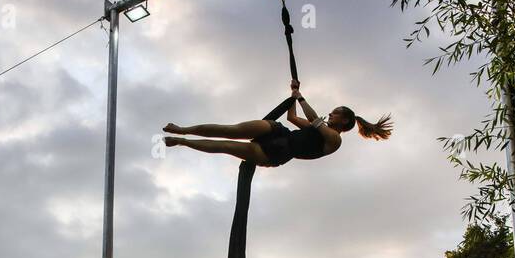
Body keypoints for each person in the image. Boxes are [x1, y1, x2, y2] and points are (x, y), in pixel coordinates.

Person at [163, 79, 391, 165]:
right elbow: (292, 118)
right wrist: (292, 95)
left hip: (279, 152)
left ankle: (181, 142)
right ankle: (184, 130)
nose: (330, 114)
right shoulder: (318, 127)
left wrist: (301, 96)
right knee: (229, 130)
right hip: (279, 131)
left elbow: (312, 118)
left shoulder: (334, 140)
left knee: (225, 146)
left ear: (345, 121)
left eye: (335, 113)